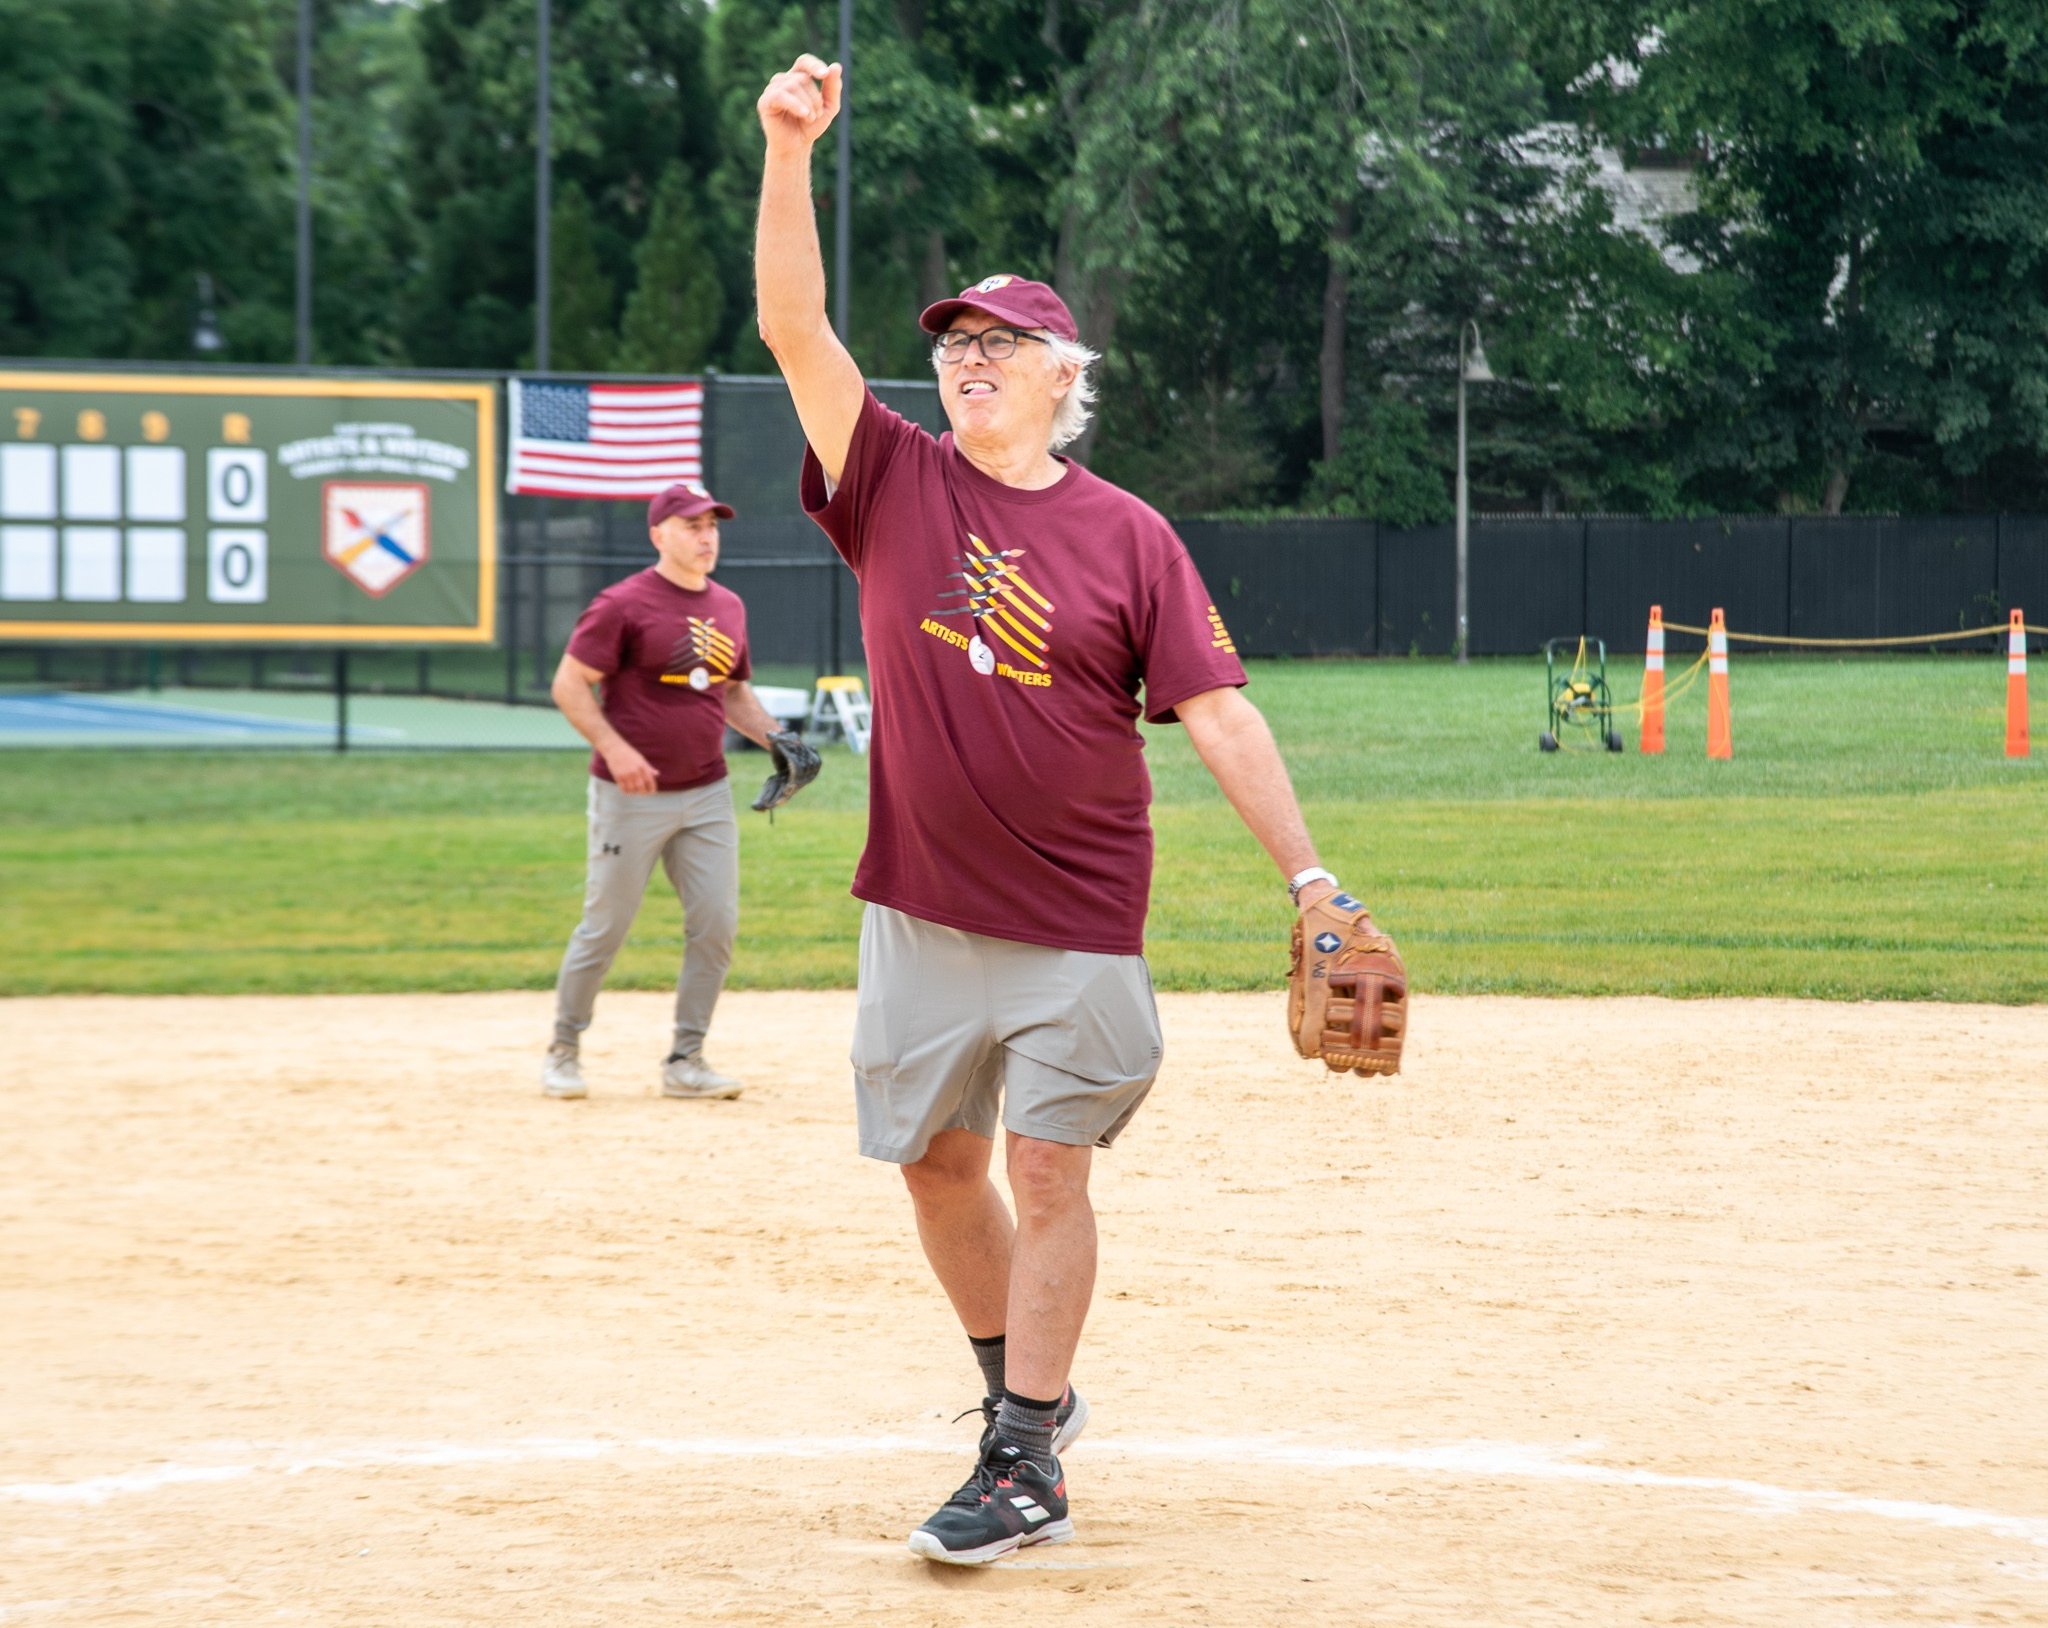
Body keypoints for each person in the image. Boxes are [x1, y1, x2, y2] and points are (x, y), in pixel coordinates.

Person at [755, 56, 1360, 1565]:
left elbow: (1218, 708)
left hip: (1075, 914)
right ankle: (1025, 1396)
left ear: (1059, 376)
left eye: (999, 342)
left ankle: (1023, 1461)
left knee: (1046, 1165)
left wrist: (1312, 883)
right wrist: (784, 150)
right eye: (954, 340)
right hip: (915, 904)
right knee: (936, 1167)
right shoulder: (888, 478)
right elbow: (791, 325)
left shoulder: (1128, 538)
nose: (966, 357)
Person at [540, 481, 792, 1103]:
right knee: (606, 928)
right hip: (631, 797)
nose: (706, 537)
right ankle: (563, 1051)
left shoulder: (729, 605)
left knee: (716, 926)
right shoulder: (622, 604)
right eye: (691, 526)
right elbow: (571, 685)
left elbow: (732, 693)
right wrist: (617, 749)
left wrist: (782, 743)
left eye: (712, 526)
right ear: (659, 535)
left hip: (706, 793)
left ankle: (686, 1059)